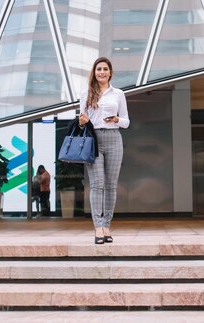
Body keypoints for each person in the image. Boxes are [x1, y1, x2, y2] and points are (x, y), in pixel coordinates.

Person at [78, 57, 130, 244]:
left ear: (110, 73)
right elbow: (81, 119)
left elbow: (126, 121)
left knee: (111, 186)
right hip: (93, 140)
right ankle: (98, 226)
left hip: (114, 138)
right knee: (97, 184)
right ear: (94, 72)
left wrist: (117, 120)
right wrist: (83, 120)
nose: (101, 72)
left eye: (105, 69)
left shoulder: (118, 94)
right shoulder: (86, 94)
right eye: (98, 69)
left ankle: (107, 224)